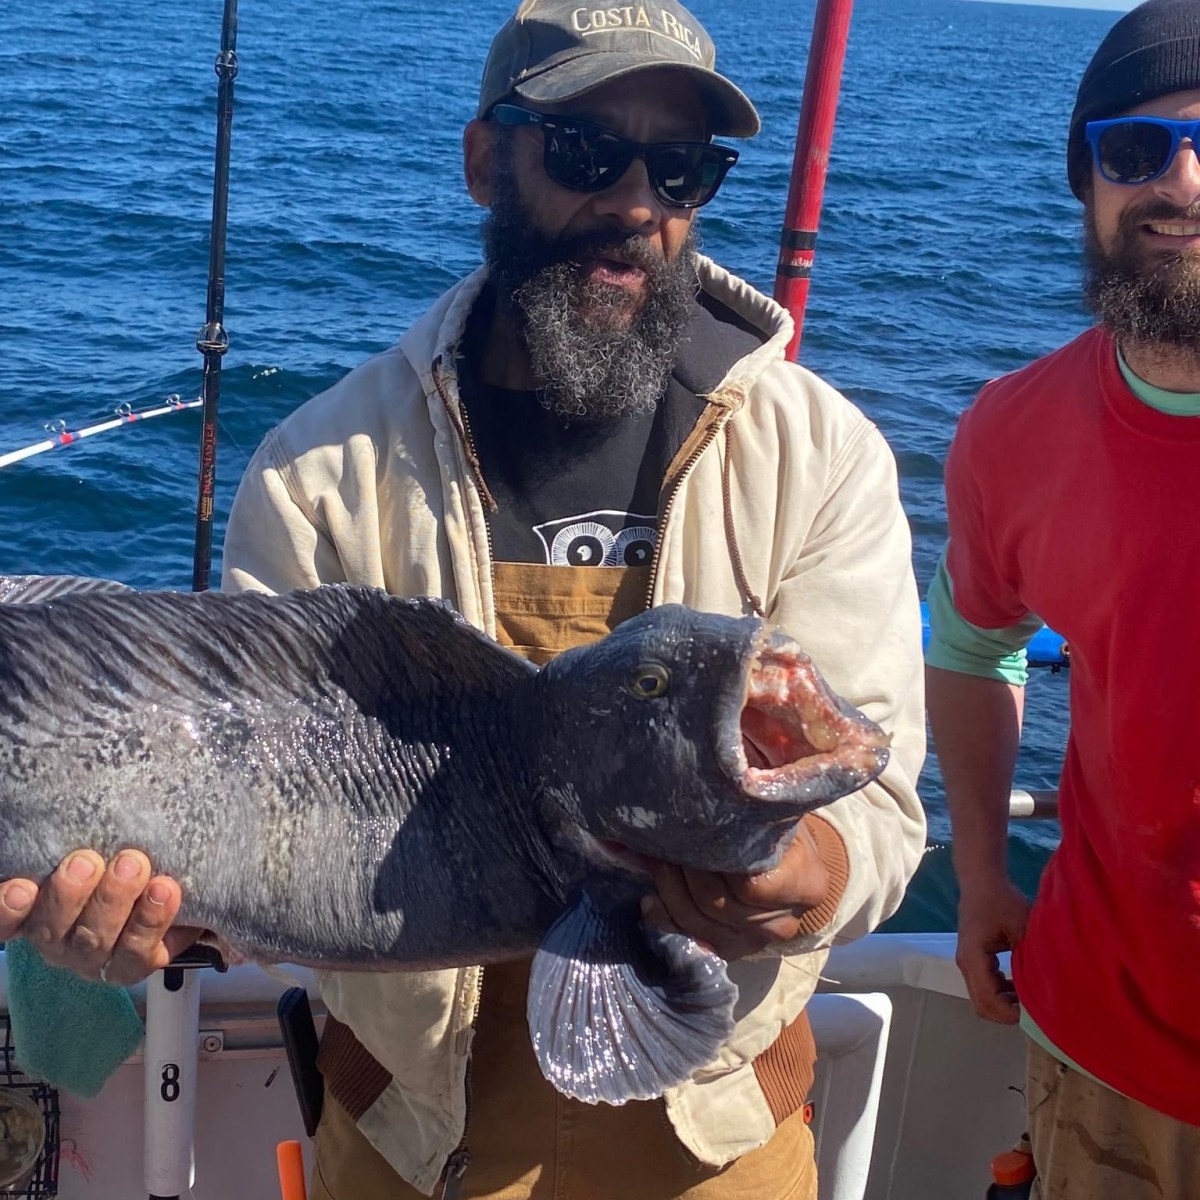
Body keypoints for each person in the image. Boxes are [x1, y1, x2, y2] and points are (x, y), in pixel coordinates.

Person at [0, 2, 926, 1196]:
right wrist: (123, 937)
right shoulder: (318, 468)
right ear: (488, 158)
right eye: (588, 151)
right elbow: (224, 861)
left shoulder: (823, 456)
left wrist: (820, 879)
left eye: (681, 168)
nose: (637, 205)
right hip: (403, 1140)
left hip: (723, 1140)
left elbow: (887, 810)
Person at [926, 1, 1200, 1195]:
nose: (1179, 182)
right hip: (1099, 1052)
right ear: (1086, 180)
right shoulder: (1008, 432)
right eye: (1137, 150)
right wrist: (983, 868)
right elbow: (976, 642)